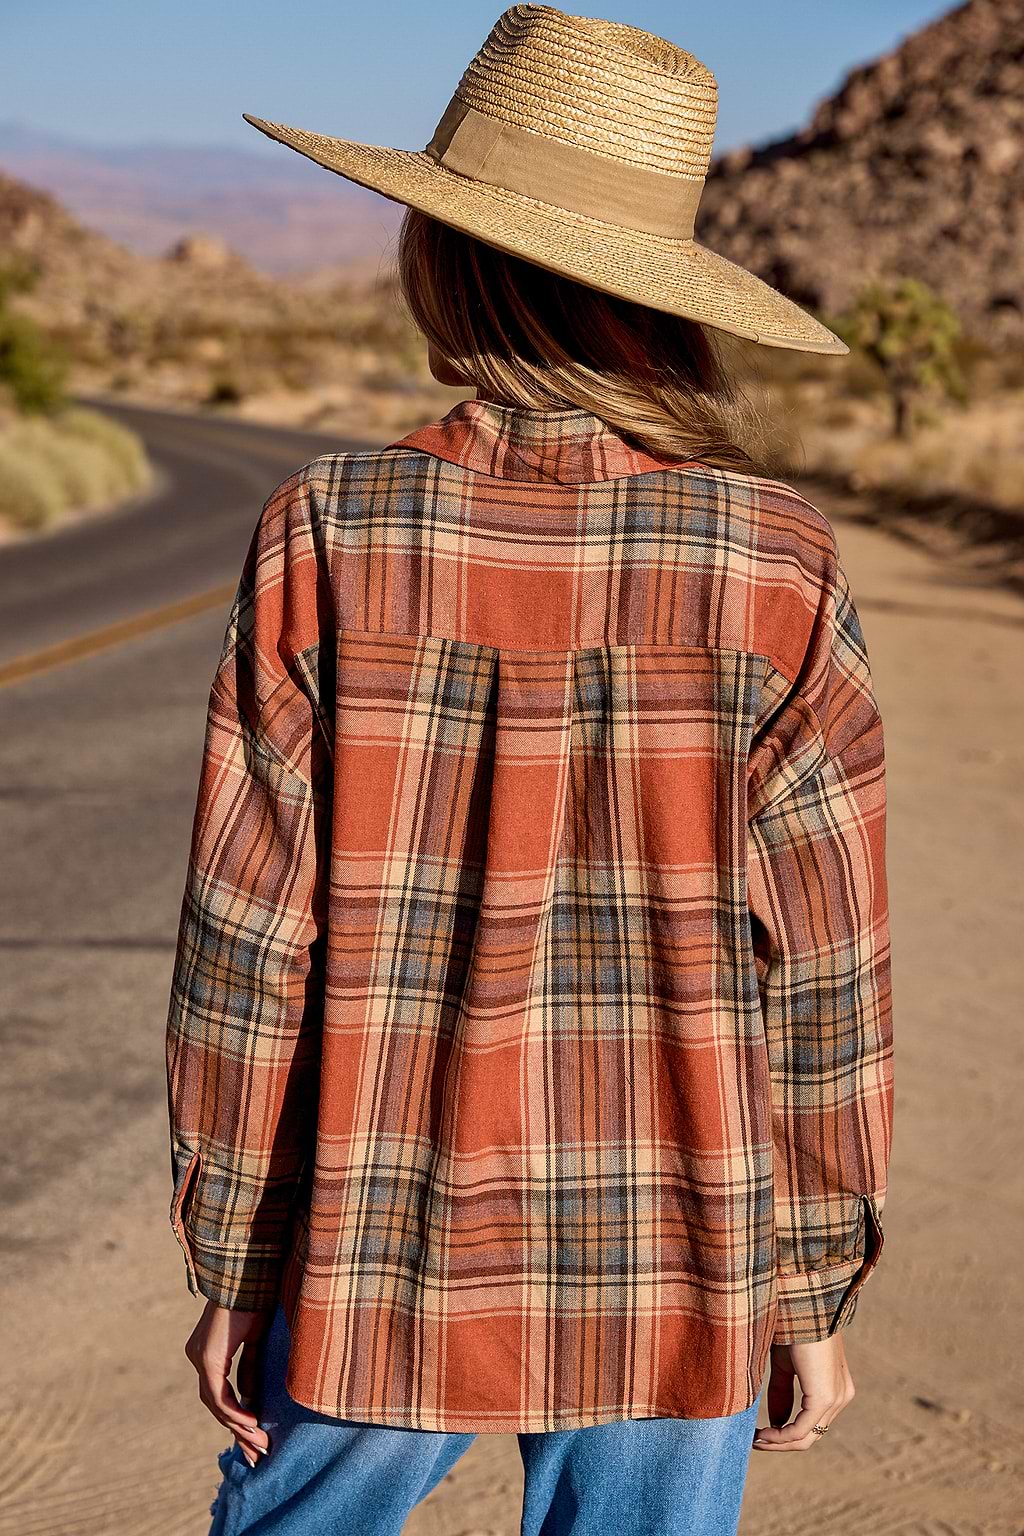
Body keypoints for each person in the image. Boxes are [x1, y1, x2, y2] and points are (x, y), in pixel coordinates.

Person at [165, 7, 894, 1534]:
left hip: (375, 1254)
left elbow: (245, 953)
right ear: (665, 293)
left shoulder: (330, 534)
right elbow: (825, 976)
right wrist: (807, 1284)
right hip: (677, 1259)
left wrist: (236, 1259)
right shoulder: (775, 563)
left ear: (447, 252)